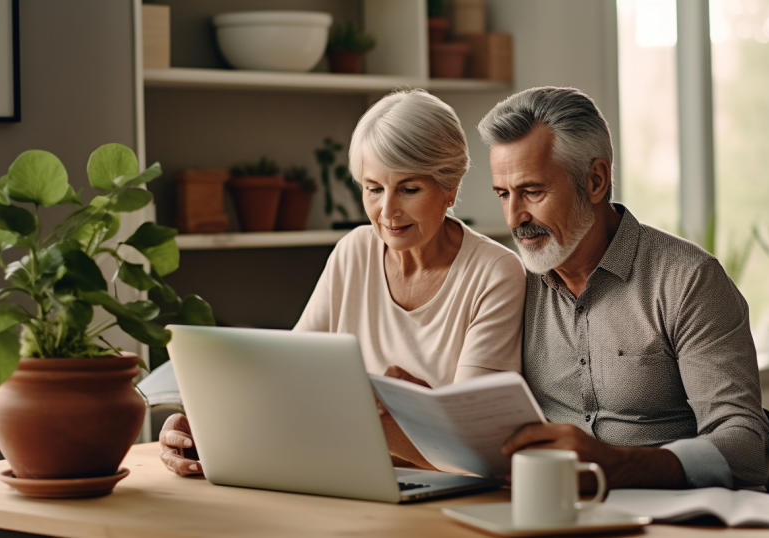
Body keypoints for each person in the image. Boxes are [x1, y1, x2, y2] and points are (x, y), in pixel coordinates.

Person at [159, 89, 526, 476]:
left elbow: (476, 455)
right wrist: (202, 427)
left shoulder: (495, 273)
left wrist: (378, 412)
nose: (387, 211)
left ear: (450, 189)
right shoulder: (354, 251)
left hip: (439, 493)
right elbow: (286, 379)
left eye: (409, 189)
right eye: (373, 188)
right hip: (343, 474)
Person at [477, 86, 769, 489]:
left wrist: (619, 465)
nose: (515, 217)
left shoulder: (688, 280)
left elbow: (746, 447)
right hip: (547, 511)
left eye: (533, 191)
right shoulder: (509, 283)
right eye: (503, 194)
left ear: (596, 180)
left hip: (671, 519)